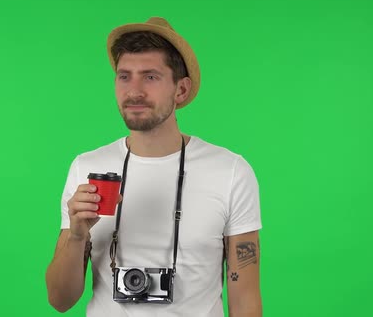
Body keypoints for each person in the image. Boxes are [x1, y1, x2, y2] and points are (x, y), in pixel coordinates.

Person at [45, 17, 262, 317]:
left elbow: (246, 301)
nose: (134, 91)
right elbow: (60, 300)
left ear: (181, 90)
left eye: (150, 77)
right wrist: (77, 235)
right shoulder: (88, 168)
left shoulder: (231, 172)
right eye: (124, 76)